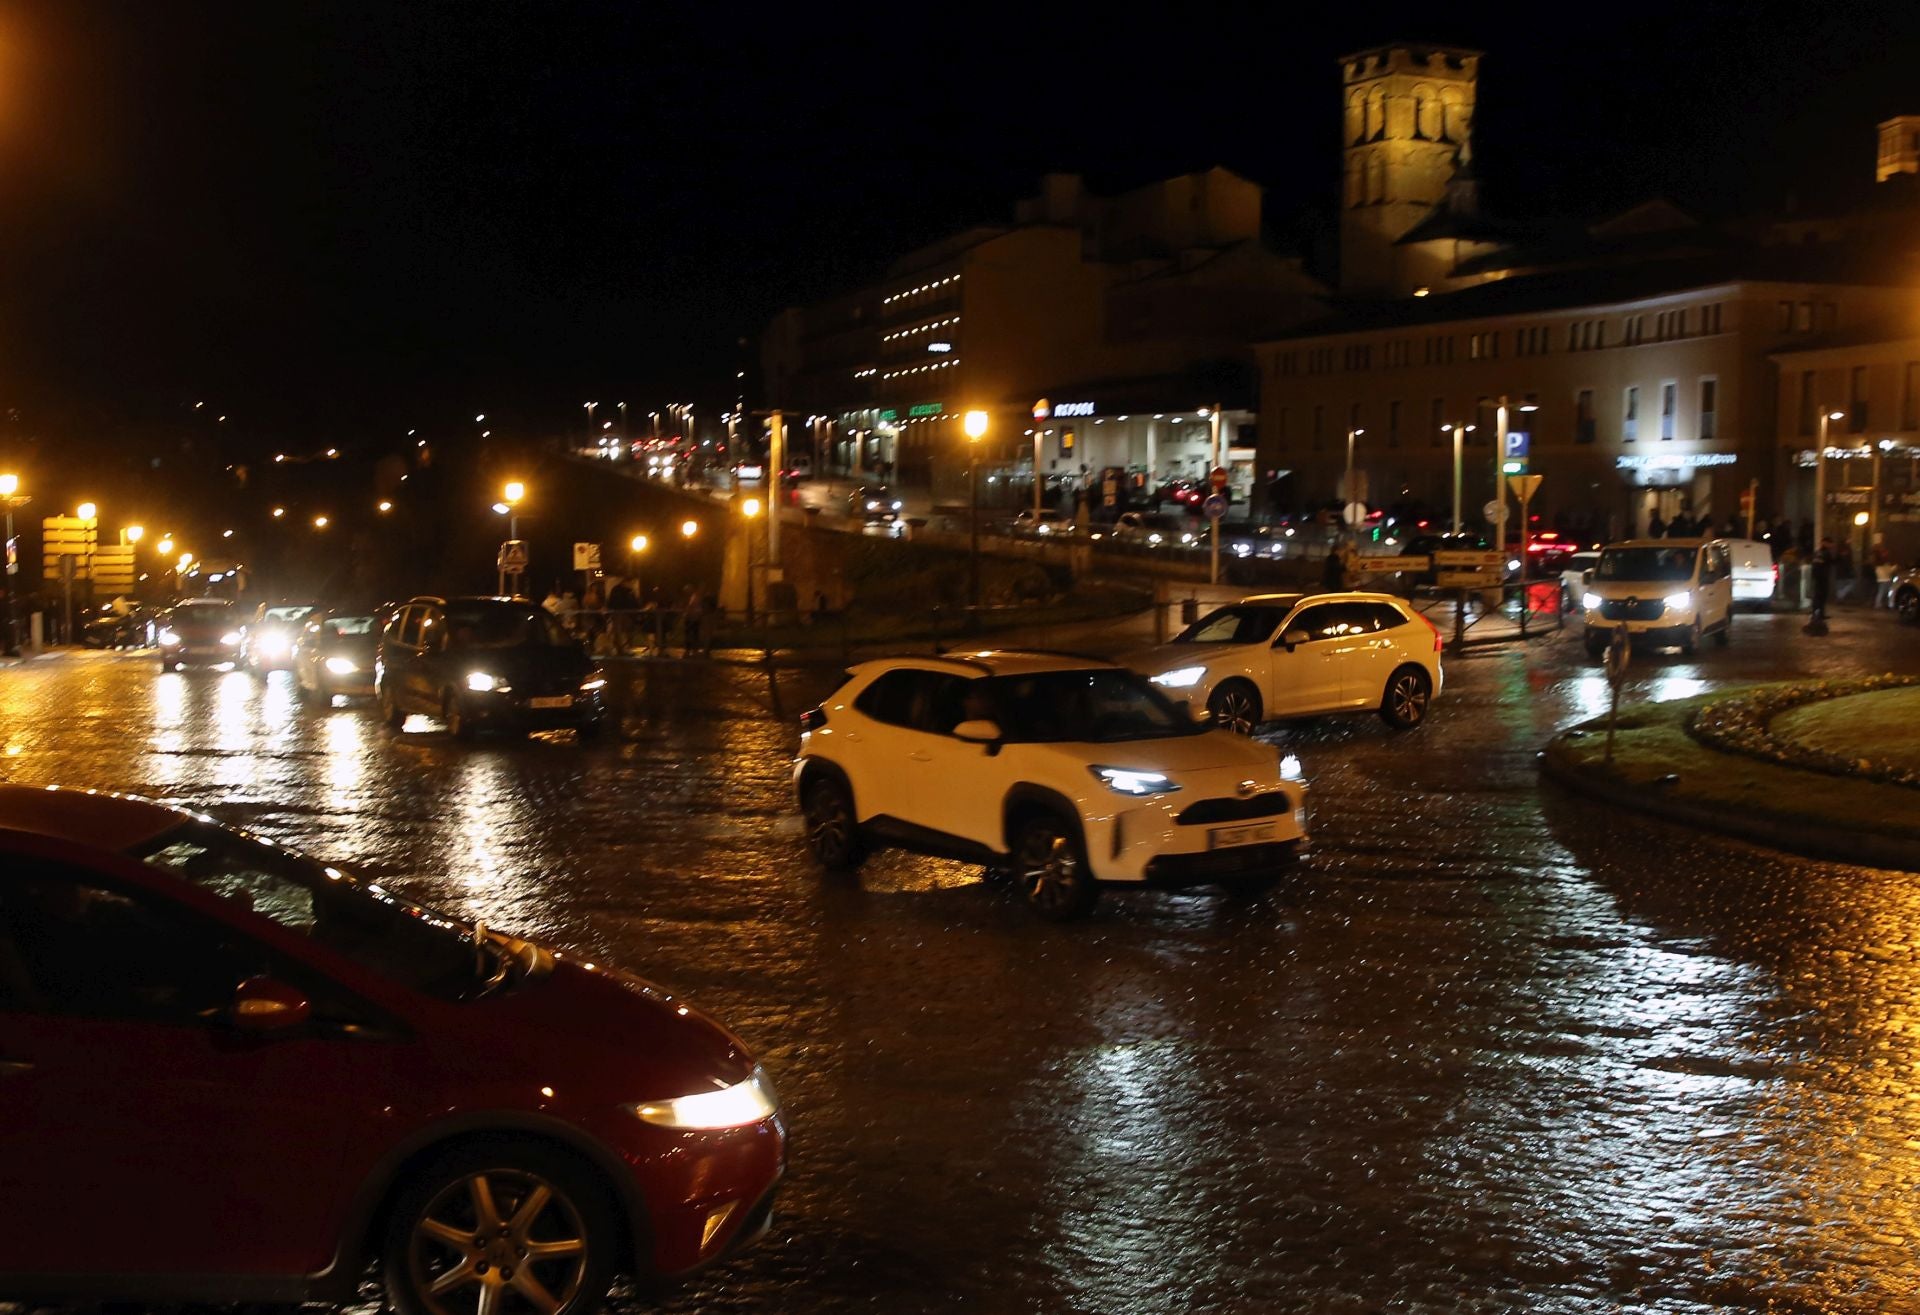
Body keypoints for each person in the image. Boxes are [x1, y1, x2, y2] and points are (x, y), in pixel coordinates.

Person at [1807, 536, 1833, 633]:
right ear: (1825, 543)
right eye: (1830, 543)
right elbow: (1830, 563)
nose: (1831, 545)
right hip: (1822, 577)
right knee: (1821, 595)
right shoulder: (1825, 553)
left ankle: (1818, 613)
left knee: (1819, 595)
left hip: (1818, 577)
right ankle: (1818, 613)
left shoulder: (1818, 552)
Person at [681, 584, 705, 657]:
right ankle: (690, 650)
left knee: (693, 635)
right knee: (690, 635)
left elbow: (695, 608)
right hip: (690, 618)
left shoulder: (695, 597)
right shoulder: (691, 598)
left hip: (693, 619)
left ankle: (693, 650)